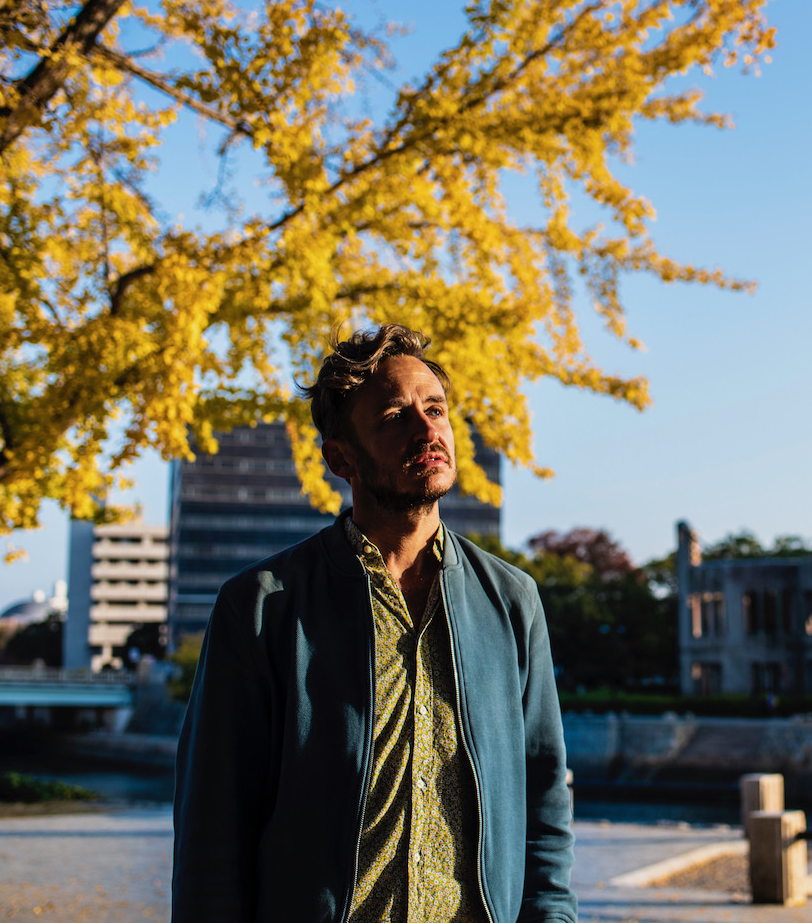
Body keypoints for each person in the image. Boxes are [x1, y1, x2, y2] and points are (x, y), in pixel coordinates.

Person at [172, 324, 575, 923]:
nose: (427, 429)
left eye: (435, 409)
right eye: (395, 417)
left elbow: (543, 800)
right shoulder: (262, 606)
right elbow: (213, 820)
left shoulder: (512, 601)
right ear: (342, 458)